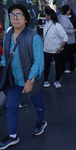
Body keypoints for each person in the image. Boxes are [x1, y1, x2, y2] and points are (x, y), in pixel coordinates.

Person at [0, 4, 47, 149]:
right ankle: (12, 135)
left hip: (32, 79)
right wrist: (2, 68)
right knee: (11, 106)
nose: (15, 18)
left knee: (37, 103)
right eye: (12, 15)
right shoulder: (7, 36)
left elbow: (39, 62)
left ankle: (41, 121)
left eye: (19, 15)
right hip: (13, 80)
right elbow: (4, 57)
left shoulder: (33, 37)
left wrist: (30, 80)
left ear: (26, 19)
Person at [43, 7, 68, 89]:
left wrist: (60, 48)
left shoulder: (57, 25)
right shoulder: (46, 24)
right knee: (46, 67)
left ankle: (57, 80)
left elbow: (65, 38)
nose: (45, 16)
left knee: (58, 66)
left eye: (46, 15)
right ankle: (46, 80)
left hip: (56, 51)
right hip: (46, 50)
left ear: (49, 16)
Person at [58, 5, 76, 74]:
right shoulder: (64, 19)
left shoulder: (63, 18)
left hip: (69, 40)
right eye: (69, 10)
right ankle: (62, 68)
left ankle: (73, 66)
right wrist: (73, 31)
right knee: (65, 55)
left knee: (70, 55)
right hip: (67, 40)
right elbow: (64, 29)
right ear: (67, 11)